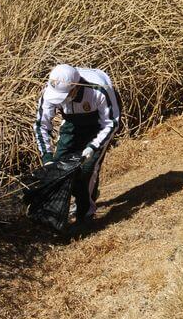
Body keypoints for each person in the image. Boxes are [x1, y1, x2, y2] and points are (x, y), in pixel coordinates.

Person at [34, 64, 121, 225]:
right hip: (72, 120)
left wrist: (92, 147)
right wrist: (47, 157)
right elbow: (41, 125)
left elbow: (111, 123)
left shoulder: (100, 89)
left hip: (99, 121)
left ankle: (85, 215)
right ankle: (56, 214)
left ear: (75, 88)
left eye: (64, 95)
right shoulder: (49, 91)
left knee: (88, 168)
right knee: (59, 168)